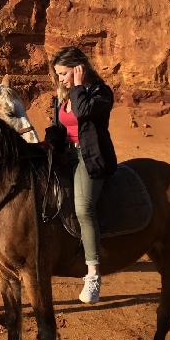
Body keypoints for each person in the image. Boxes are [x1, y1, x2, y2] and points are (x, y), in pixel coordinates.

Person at [45, 46, 117, 304]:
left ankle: (93, 274)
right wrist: (49, 140)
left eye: (64, 73)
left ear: (79, 69)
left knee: (84, 208)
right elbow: (59, 126)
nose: (60, 79)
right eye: (58, 74)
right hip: (67, 156)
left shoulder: (100, 92)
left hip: (90, 158)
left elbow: (84, 111)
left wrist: (77, 86)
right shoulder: (64, 95)